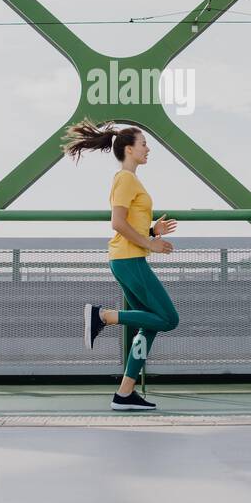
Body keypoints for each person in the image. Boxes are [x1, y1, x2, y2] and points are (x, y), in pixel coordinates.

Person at [60, 119, 179, 411]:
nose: (148, 149)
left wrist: (152, 232)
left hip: (128, 258)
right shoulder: (124, 179)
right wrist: (150, 243)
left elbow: (130, 223)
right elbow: (117, 222)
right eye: (143, 144)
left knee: (147, 326)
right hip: (129, 259)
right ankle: (104, 316)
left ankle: (124, 394)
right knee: (168, 319)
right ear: (129, 148)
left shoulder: (131, 180)